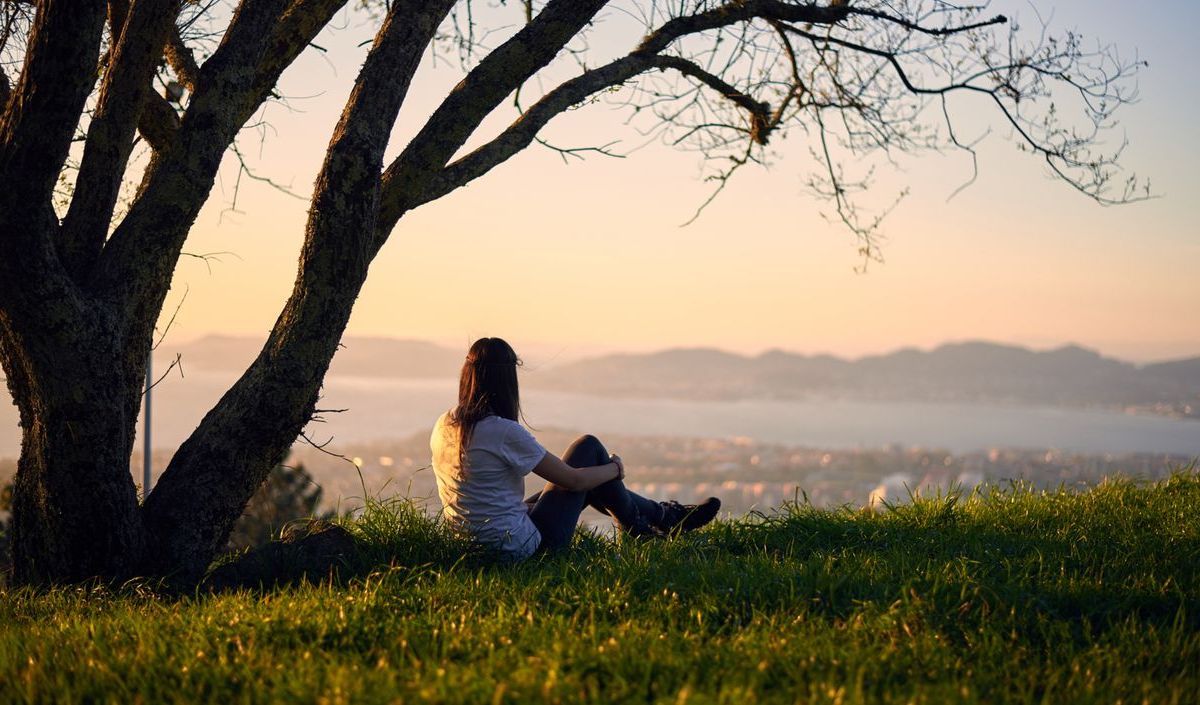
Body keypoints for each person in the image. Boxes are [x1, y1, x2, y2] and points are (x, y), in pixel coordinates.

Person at [430, 337, 721, 560]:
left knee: (585, 475)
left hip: (471, 545)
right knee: (588, 448)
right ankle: (657, 521)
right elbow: (574, 481)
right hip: (520, 549)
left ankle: (658, 520)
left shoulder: (444, 424)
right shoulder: (502, 431)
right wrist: (614, 468)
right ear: (507, 381)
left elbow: (482, 496)